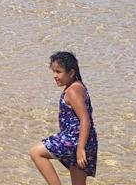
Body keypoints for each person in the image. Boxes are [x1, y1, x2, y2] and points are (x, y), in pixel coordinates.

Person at [29, 51, 97, 185]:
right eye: (53, 71)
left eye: (58, 72)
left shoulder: (73, 91)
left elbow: (85, 120)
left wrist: (80, 149)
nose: (55, 76)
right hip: (86, 139)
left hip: (75, 139)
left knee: (36, 152)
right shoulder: (77, 86)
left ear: (71, 73)